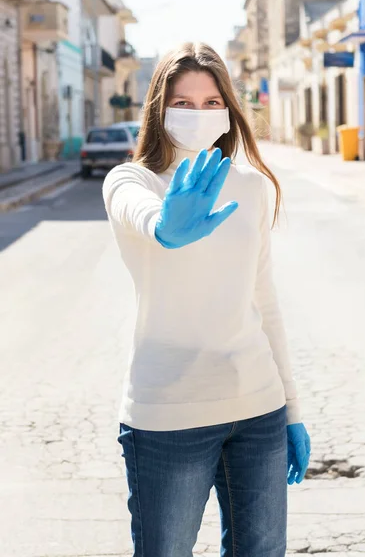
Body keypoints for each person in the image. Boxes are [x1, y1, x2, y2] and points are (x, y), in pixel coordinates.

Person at [103, 42, 311, 557]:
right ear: (159, 108)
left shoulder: (253, 187)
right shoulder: (134, 180)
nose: (199, 114)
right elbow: (141, 212)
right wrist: (166, 226)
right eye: (184, 103)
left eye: (212, 102)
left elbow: (264, 300)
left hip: (257, 408)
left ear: (229, 110)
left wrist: (291, 408)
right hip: (168, 416)